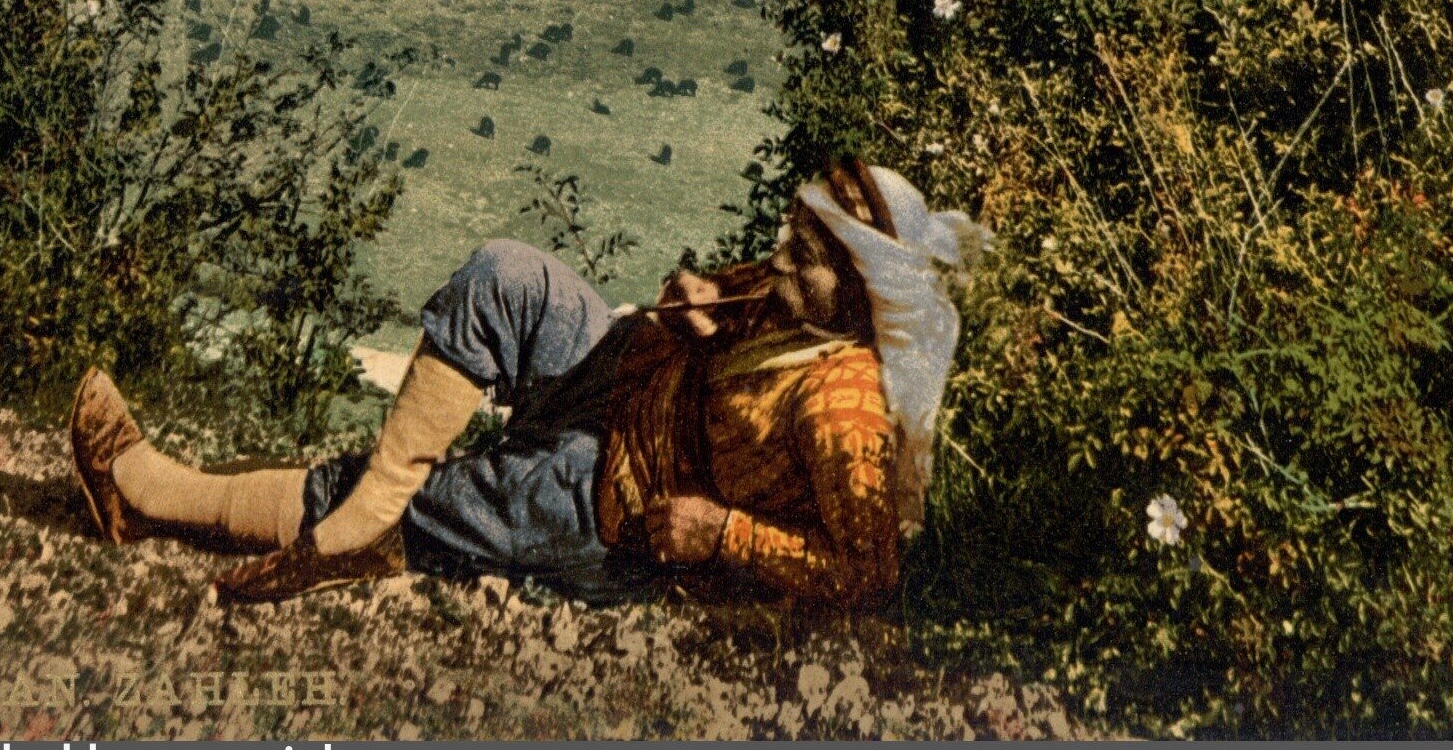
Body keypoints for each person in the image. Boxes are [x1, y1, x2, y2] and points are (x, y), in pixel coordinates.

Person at [67, 160, 981, 610]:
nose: (778, 257)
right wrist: (685, 299)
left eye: (805, 252)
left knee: (440, 499)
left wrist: (722, 532)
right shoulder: (792, 300)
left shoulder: (843, 402)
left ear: (860, 290)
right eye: (788, 234)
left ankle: (154, 500)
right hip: (623, 376)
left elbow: (869, 572)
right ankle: (383, 500)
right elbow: (705, 305)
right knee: (508, 274)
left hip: (616, 508)